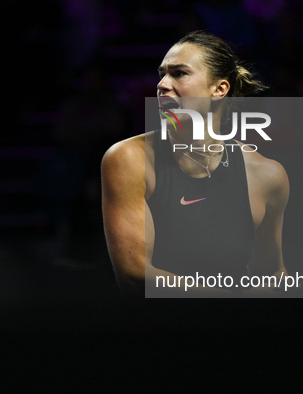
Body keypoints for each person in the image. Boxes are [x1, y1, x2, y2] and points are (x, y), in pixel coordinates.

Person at [101, 31, 289, 297]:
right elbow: (135, 277)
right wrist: (234, 297)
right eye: (162, 74)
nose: (162, 85)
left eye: (179, 73)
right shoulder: (128, 158)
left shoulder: (267, 175)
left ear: (219, 89)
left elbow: (270, 273)